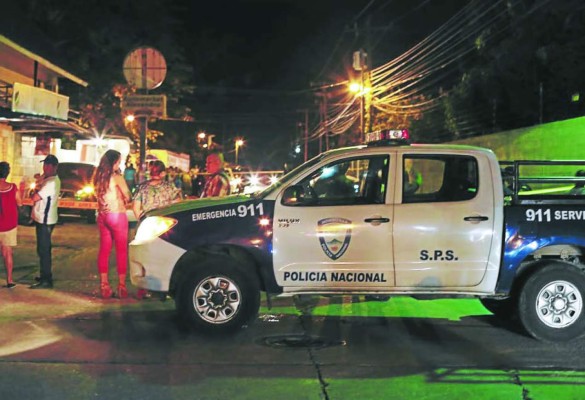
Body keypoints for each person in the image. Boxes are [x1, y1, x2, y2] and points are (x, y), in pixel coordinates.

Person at [93, 150, 131, 299]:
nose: (119, 164)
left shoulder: (98, 177)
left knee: (104, 250)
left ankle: (104, 285)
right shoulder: (116, 177)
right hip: (117, 215)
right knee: (121, 250)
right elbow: (128, 195)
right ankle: (121, 286)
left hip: (102, 215)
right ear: (114, 162)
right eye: (118, 162)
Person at [30, 155, 61, 289]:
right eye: (45, 165)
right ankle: (44, 275)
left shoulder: (51, 183)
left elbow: (35, 197)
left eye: (49, 166)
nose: (45, 168)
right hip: (43, 218)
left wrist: (35, 188)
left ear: (55, 167)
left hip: (45, 219)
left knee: (44, 250)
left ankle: (46, 280)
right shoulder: (48, 179)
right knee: (42, 249)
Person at [0, 162, 22, 288]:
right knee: (8, 252)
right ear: (7, 174)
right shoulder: (13, 187)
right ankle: (9, 280)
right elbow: (19, 203)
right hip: (9, 225)